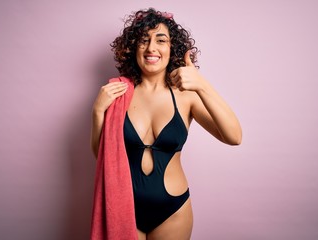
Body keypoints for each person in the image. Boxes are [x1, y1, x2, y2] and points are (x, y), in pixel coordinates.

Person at [91, 8, 242, 240]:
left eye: (161, 40)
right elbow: (102, 156)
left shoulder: (186, 95)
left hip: (173, 211)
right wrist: (98, 111)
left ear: (173, 48)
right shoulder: (118, 93)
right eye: (144, 40)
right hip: (125, 207)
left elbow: (234, 136)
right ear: (133, 48)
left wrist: (202, 85)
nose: (152, 47)